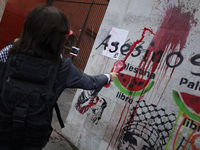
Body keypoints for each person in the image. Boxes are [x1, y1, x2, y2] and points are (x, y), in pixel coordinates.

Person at [0, 5, 118, 150]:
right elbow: (90, 82)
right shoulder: (62, 67)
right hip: (33, 135)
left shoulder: (8, 53)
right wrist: (108, 76)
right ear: (59, 38)